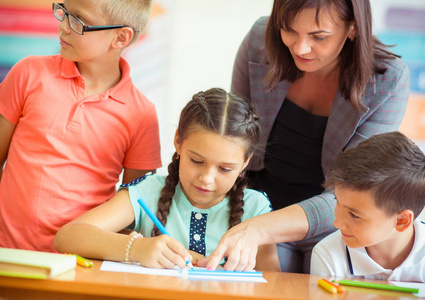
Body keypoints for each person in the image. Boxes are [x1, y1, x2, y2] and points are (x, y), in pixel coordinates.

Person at [202, 0, 410, 273]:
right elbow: (234, 142)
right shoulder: (259, 42)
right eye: (289, 30)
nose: (300, 48)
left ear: (353, 27)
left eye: (318, 36)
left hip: (338, 225)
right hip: (253, 207)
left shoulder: (388, 80)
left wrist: (258, 229)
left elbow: (351, 192)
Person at [53, 88, 281, 271]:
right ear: (178, 141)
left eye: (224, 169)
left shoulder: (256, 209)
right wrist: (137, 248)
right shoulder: (147, 191)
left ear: (245, 162)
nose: (207, 179)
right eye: (197, 161)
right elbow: (67, 237)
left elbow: (273, 284)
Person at [0, 0, 161, 252]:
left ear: (120, 37)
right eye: (63, 12)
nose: (63, 26)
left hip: (80, 262)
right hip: (7, 253)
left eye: (78, 20)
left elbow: (133, 204)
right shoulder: (28, 73)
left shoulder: (142, 115)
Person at [310, 131, 425, 284]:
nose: (337, 223)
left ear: (401, 220)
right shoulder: (328, 255)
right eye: (337, 201)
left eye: (354, 215)